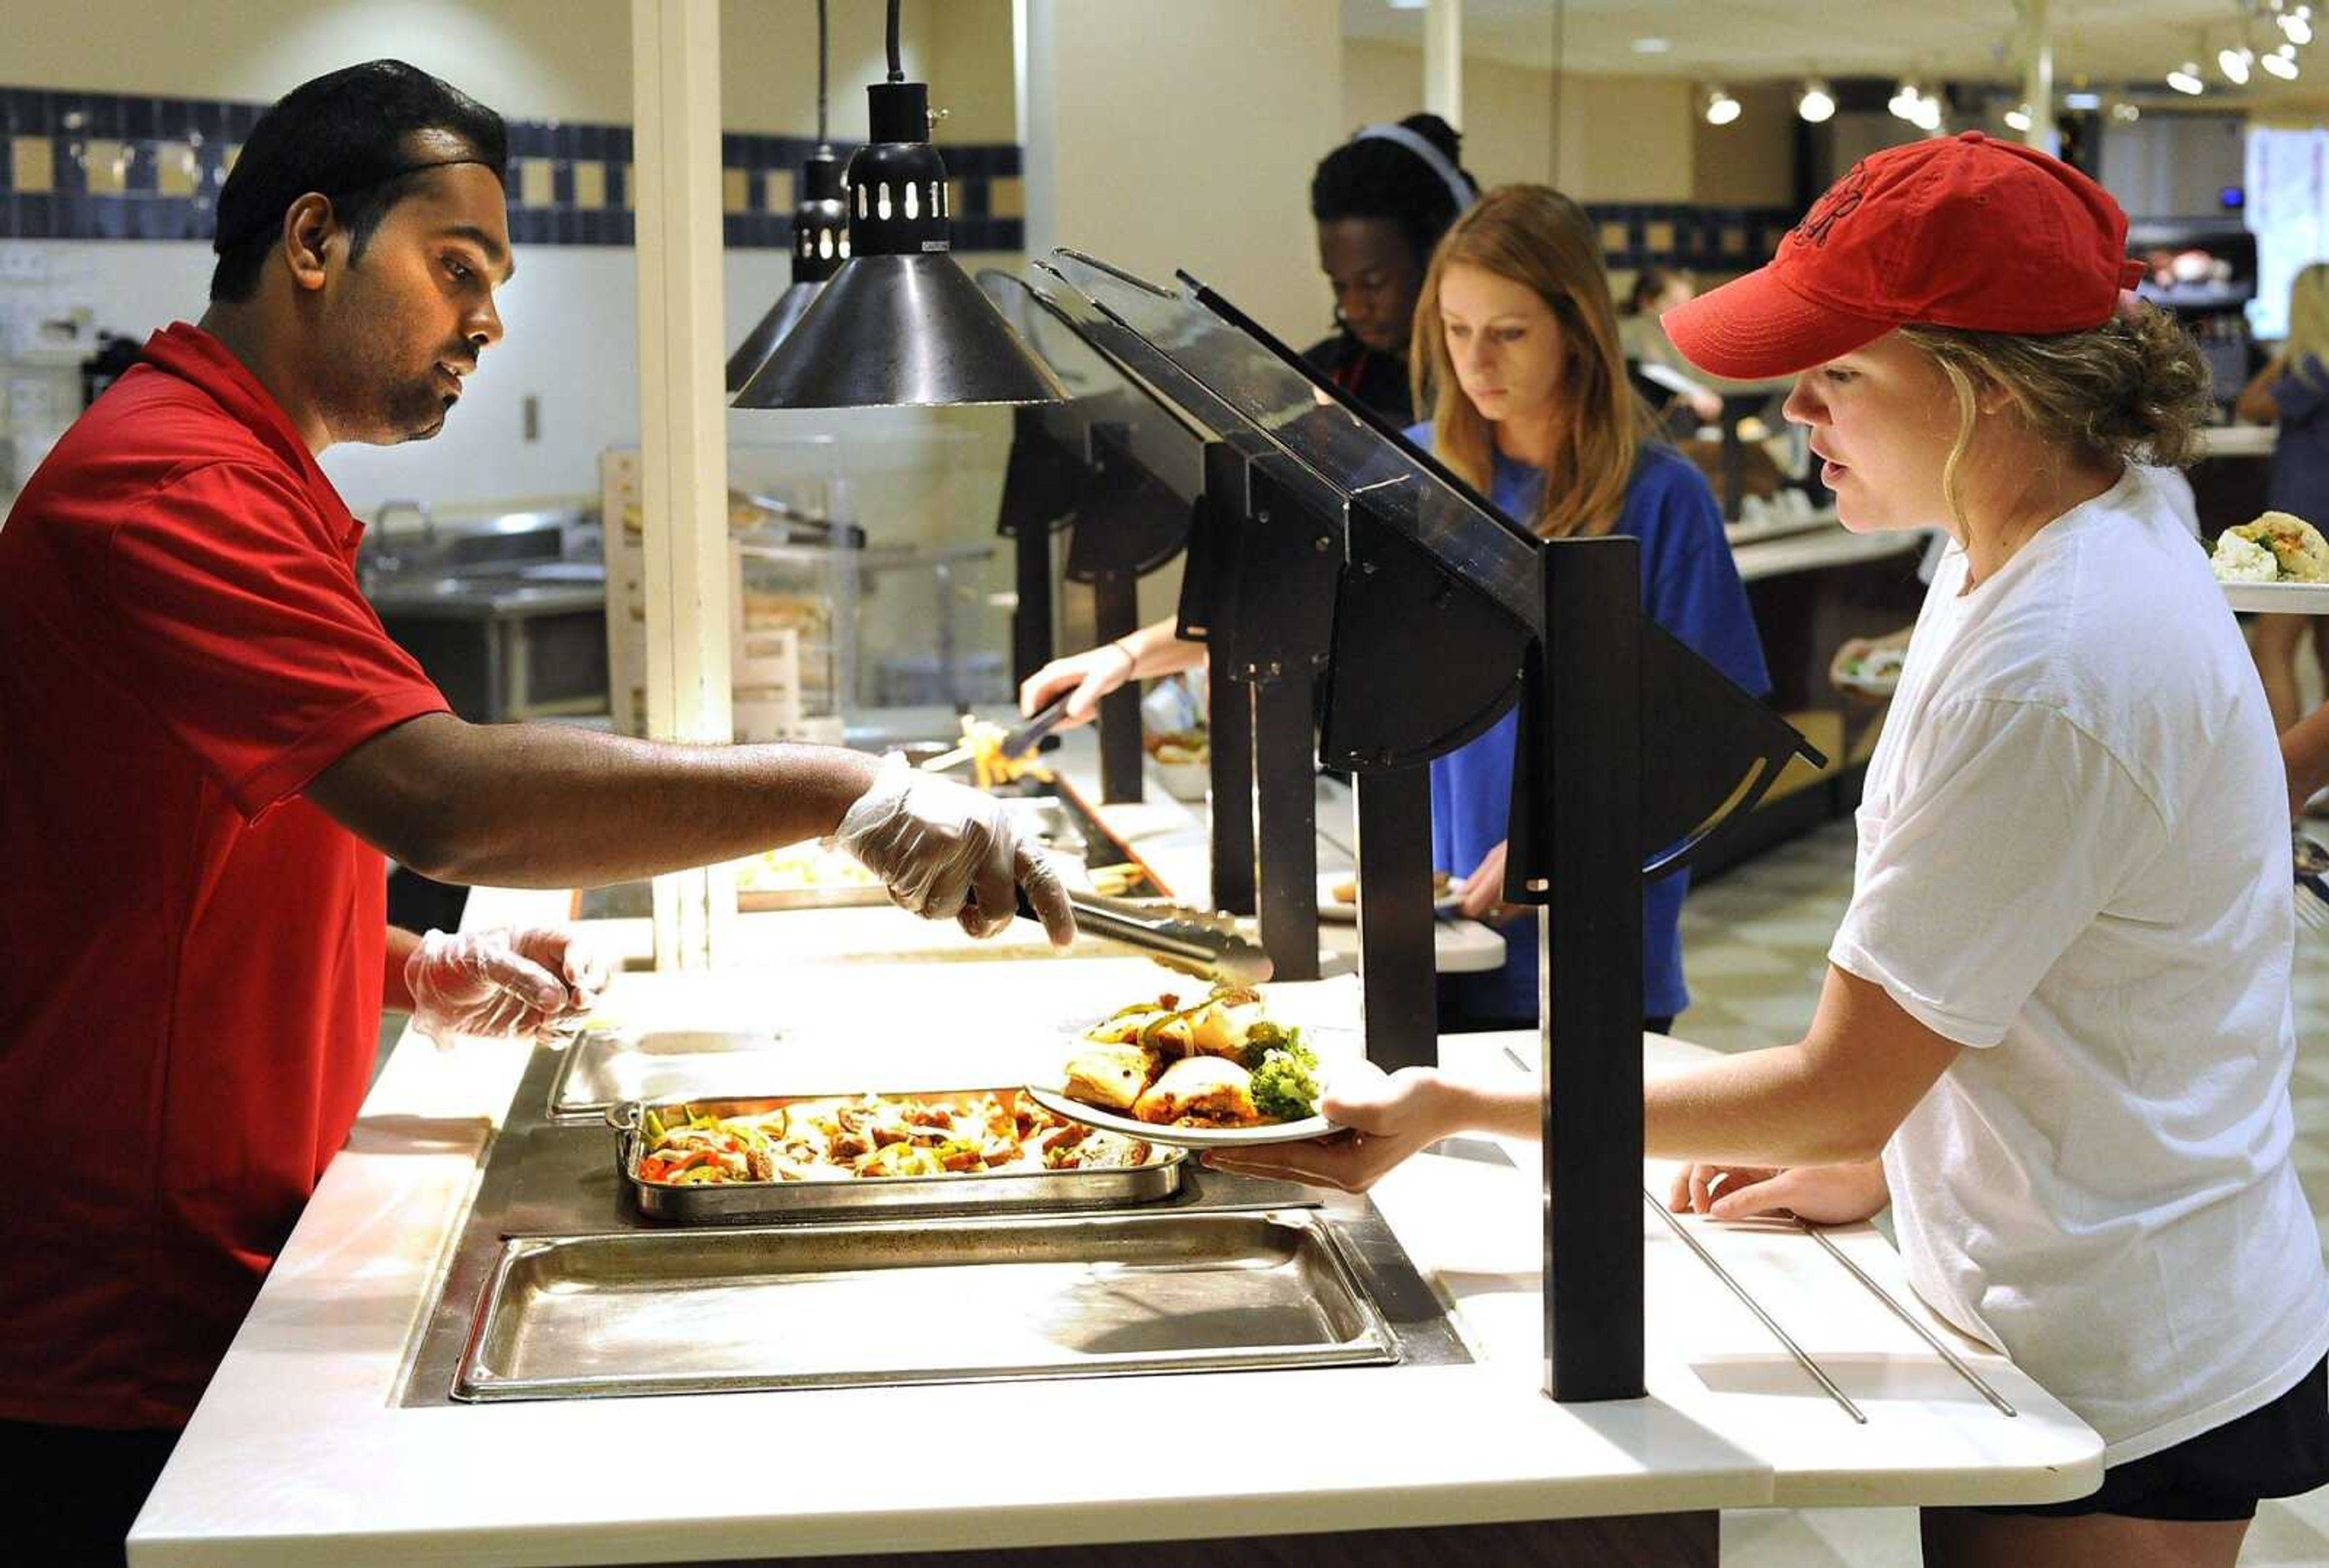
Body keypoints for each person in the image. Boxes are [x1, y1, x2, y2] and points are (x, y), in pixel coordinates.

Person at [0, 62, 1071, 1563]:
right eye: (458, 271)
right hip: (118, 1328)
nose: (488, 323)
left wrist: (392, 968)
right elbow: (446, 803)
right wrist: (849, 792)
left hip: (226, 1260)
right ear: (314, 241)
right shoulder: (170, 485)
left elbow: (169, 855)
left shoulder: (248, 471)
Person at [1215, 133, 2329, 1565]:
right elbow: (2016, 982)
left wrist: (1460, 1111)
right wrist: (1889, 1163)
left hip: (2127, 1343)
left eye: (1840, 373)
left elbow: (1832, 1086)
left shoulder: (2059, 657)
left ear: (1987, 385)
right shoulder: (2020, 537)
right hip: (2046, 1272)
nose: (1794, 405)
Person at [1404, 186, 1766, 1032]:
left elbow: (1717, 738)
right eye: (1457, 331)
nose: (1477, 362)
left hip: (1598, 952)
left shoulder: (1660, 496)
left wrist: (1556, 841)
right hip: (1433, 933)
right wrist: (1136, 655)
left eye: (1509, 332)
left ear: (1576, 328)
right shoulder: (1416, 473)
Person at [1306, 113, 1480, 428]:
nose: (1354, 308)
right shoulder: (1315, 378)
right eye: (1340, 285)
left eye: (1374, 282)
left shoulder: (1491, 386)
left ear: (1439, 254)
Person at [2236, 263, 2329, 736]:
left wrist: (2287, 354)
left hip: (2303, 522)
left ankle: (2282, 789)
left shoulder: (2311, 369)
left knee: (2272, 649)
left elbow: (2252, 403)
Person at [1619, 265, 1723, 433]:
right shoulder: (1634, 330)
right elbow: (1651, 368)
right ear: (1648, 301)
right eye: (1674, 303)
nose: (1683, 312)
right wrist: (1695, 392)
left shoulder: (1671, 336)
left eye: (1688, 304)